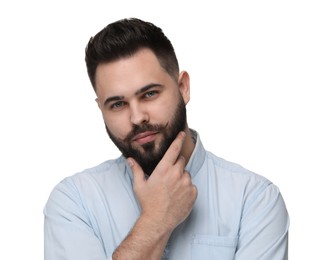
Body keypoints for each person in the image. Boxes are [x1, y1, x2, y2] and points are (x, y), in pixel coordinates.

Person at [44, 18, 289, 259]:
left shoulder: (255, 200)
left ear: (183, 88)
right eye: (118, 104)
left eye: (149, 94)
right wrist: (155, 221)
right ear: (101, 110)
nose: (137, 117)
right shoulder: (74, 203)